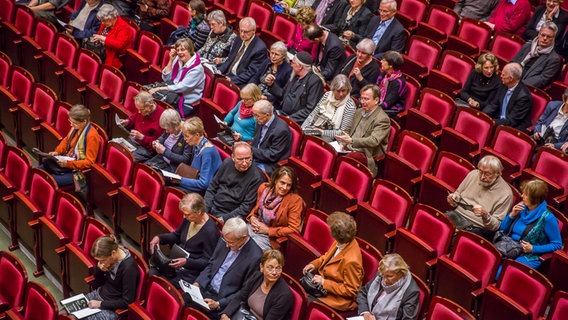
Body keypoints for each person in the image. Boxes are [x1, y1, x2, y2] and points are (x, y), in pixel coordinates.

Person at [190, 217, 263, 319]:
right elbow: (212, 264)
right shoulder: (226, 239)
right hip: (205, 287)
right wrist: (198, 283)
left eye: (231, 243)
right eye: (226, 240)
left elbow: (244, 291)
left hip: (222, 301)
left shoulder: (255, 256)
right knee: (183, 300)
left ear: (243, 237)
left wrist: (219, 303)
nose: (227, 245)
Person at [149, 193, 220, 286]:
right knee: (150, 274)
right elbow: (176, 236)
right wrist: (159, 238)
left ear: (198, 212)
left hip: (188, 272)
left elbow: (207, 261)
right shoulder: (189, 219)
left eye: (187, 214)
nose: (184, 217)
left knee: (159, 285)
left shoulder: (211, 231)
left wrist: (187, 262)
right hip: (174, 263)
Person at [302, 211, 363, 312]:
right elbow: (328, 257)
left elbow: (350, 290)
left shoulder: (352, 261)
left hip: (334, 299)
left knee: (304, 303)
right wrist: (314, 264)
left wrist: (324, 282)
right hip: (321, 286)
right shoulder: (341, 241)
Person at [498, 179, 562, 273]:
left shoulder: (548, 218)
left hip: (528, 255)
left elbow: (557, 245)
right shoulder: (521, 207)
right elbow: (502, 229)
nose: (522, 196)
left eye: (526, 194)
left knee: (506, 272)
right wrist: (511, 215)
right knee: (490, 260)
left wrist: (533, 248)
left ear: (535, 198)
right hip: (509, 245)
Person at [446, 155, 514, 240]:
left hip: (476, 227)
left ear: (498, 174)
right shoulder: (473, 174)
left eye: (487, 174)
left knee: (449, 240)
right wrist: (454, 198)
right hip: (456, 215)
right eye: (480, 171)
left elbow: (496, 226)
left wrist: (485, 215)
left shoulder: (506, 194)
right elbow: (458, 193)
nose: (482, 177)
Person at [220, 250, 294, 320]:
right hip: (244, 315)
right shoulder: (257, 276)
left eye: (278, 268)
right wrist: (226, 314)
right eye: (270, 268)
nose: (274, 272)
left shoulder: (284, 295)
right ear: (262, 267)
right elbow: (240, 297)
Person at [335, 84, 390, 175]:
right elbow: (348, 129)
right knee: (328, 151)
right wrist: (342, 143)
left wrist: (352, 140)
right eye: (362, 98)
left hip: (365, 153)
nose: (363, 102)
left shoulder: (382, 119)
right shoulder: (359, 111)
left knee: (345, 160)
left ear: (376, 100)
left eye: (366, 99)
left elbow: (374, 141)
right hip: (348, 147)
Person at [41, 104, 101, 187]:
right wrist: (57, 152)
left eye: (75, 123)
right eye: (70, 122)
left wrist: (68, 164)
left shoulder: (92, 136)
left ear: (84, 121)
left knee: (49, 182)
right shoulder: (75, 127)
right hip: (66, 162)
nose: (71, 125)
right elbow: (66, 141)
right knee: (39, 171)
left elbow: (89, 162)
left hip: (78, 171)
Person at [205, 142, 265, 222]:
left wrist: (223, 219)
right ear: (233, 157)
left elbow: (245, 207)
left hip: (230, 216)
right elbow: (212, 187)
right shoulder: (227, 163)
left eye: (247, 158)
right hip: (212, 206)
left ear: (252, 155)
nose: (244, 163)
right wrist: (205, 209)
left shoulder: (257, 177)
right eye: (240, 159)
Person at [247, 166, 304, 250]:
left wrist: (268, 230)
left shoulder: (295, 201)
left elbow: (293, 229)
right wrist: (252, 218)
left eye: (288, 185)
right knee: (235, 234)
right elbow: (256, 208)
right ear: (276, 180)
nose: (284, 188)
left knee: (249, 249)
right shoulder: (263, 188)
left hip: (270, 238)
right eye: (282, 183)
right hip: (255, 227)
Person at [84, 235, 139, 320]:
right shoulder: (109, 259)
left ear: (113, 253)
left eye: (102, 260)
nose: (101, 263)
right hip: (98, 295)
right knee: (67, 311)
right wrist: (99, 269)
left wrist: (100, 304)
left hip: (113, 308)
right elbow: (98, 282)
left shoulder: (129, 268)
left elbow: (126, 302)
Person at [148, 38, 205, 118]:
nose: (179, 53)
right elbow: (166, 79)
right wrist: (171, 61)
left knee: (159, 114)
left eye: (182, 50)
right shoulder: (178, 59)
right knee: (147, 98)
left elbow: (182, 87)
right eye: (178, 50)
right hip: (173, 93)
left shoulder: (197, 69)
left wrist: (160, 89)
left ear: (190, 50)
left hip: (185, 102)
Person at [357, 254, 420, 320]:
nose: (385, 280)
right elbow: (363, 293)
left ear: (400, 274)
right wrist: (366, 313)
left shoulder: (411, 292)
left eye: (389, 276)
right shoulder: (382, 273)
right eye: (383, 275)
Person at [271, 52, 325, 124]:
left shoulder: (314, 82)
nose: (291, 65)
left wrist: (290, 118)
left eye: (292, 62)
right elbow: (283, 94)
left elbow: (310, 109)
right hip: (281, 113)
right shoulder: (295, 76)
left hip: (295, 121)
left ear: (300, 66)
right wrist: (271, 85)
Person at [302, 74, 357, 142]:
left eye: (343, 91)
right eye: (338, 91)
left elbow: (342, 132)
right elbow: (313, 114)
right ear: (333, 89)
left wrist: (322, 132)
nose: (341, 94)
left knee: (312, 142)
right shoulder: (327, 95)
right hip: (316, 126)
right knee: (301, 135)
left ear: (348, 90)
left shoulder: (350, 106)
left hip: (332, 137)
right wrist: (302, 128)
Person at [217, 17, 269, 88]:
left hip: (240, 81)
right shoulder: (238, 38)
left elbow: (250, 73)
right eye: (240, 30)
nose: (242, 34)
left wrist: (232, 79)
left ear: (254, 31)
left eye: (246, 32)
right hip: (227, 74)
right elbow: (230, 59)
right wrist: (220, 70)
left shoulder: (260, 48)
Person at [175, 117, 222, 194]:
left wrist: (181, 180)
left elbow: (204, 184)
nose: (185, 139)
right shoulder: (197, 144)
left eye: (187, 136)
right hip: (193, 179)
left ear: (197, 135)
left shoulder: (207, 152)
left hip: (204, 192)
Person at [482, 62, 533, 130]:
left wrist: (491, 122)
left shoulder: (523, 97)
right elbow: (493, 105)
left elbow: (512, 121)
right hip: (499, 119)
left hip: (514, 128)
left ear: (511, 78)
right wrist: (483, 116)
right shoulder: (504, 85)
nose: (501, 76)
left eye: (503, 75)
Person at [512, 22, 562, 89]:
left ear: (553, 38)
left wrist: (519, 85)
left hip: (527, 87)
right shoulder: (527, 46)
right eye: (543, 35)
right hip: (513, 78)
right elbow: (513, 62)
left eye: (549, 37)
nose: (545, 38)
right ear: (538, 34)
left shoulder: (554, 59)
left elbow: (542, 79)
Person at [118, 91, 165, 162]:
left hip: (146, 148)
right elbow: (135, 116)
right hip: (134, 140)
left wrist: (142, 137)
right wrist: (128, 121)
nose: (139, 112)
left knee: (126, 159)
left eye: (141, 110)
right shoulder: (143, 109)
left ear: (151, 106)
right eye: (138, 109)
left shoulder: (162, 118)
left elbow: (156, 143)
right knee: (115, 149)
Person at [144, 109, 192, 173]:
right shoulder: (170, 128)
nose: (166, 132)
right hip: (161, 159)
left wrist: (164, 151)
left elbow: (185, 159)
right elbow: (163, 137)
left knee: (154, 177)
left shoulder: (187, 135)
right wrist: (157, 141)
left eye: (168, 129)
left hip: (172, 166)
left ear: (176, 127)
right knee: (143, 169)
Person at [251, 100, 292, 174]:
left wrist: (250, 150)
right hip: (257, 156)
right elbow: (256, 141)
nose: (255, 118)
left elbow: (272, 156)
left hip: (269, 164)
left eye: (257, 115)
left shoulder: (281, 130)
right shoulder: (261, 121)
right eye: (254, 114)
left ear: (267, 115)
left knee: (246, 173)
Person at [91, 4, 133, 68]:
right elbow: (100, 33)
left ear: (111, 18)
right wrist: (97, 38)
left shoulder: (123, 28)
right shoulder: (107, 23)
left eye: (104, 20)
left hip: (114, 55)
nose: (102, 23)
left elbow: (119, 44)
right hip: (102, 51)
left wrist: (103, 38)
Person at [375, 50, 407, 117]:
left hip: (392, 109)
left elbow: (388, 103)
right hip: (378, 102)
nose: (381, 62)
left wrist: (372, 107)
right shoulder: (384, 73)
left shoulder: (398, 82)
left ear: (390, 66)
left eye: (383, 60)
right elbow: (375, 88)